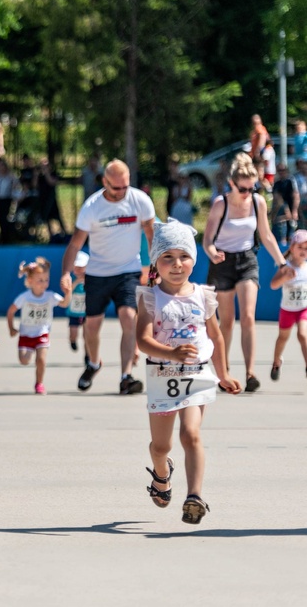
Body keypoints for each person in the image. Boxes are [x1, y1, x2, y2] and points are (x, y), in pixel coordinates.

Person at [136, 219, 240, 525]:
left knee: (191, 434)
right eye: (167, 257)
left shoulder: (204, 295)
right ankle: (161, 473)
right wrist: (171, 353)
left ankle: (195, 496)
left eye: (184, 256)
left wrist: (223, 375)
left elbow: (216, 336)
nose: (177, 264)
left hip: (197, 375)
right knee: (161, 446)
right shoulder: (150, 297)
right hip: (162, 377)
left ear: (194, 260)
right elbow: (142, 341)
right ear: (156, 261)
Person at [61, 159, 155, 394]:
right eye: (116, 188)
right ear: (105, 182)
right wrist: (65, 272)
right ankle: (94, 362)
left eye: (125, 186)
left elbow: (153, 237)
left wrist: (154, 269)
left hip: (128, 270)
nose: (122, 192)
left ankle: (126, 376)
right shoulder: (92, 207)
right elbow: (75, 244)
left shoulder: (140, 200)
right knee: (91, 327)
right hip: (98, 272)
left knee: (128, 317)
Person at [203, 152, 292, 392]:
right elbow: (208, 239)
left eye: (252, 189)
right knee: (227, 322)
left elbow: (266, 234)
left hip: (247, 260)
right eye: (243, 189)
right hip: (222, 261)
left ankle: (251, 372)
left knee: (249, 317)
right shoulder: (221, 203)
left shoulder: (257, 203)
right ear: (232, 184)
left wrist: (282, 263)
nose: (247, 194)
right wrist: (212, 253)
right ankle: (225, 373)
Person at [6, 257, 69, 395]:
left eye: (46, 280)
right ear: (30, 281)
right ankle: (29, 354)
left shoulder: (50, 296)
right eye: (40, 280)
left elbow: (64, 304)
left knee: (41, 359)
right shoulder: (25, 297)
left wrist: (68, 292)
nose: (44, 283)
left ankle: (39, 383)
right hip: (26, 334)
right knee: (24, 360)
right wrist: (11, 328)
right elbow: (11, 311)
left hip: (42, 332)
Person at [269, 229, 307, 381]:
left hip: (303, 308)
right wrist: (285, 277)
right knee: (283, 337)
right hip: (288, 309)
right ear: (292, 248)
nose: (303, 251)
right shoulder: (286, 267)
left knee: (303, 335)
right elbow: (273, 285)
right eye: (300, 247)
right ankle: (277, 362)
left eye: (306, 248)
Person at [66, 251, 89, 360]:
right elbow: (68, 291)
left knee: (87, 336)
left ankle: (88, 355)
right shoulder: (70, 280)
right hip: (74, 313)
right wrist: (77, 281)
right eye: (76, 267)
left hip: (87, 313)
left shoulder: (91, 280)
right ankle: (73, 340)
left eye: (81, 267)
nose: (78, 270)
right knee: (73, 334)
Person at [271, 163, 300, 246]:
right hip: (282, 212)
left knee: (291, 234)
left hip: (290, 210)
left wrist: (294, 211)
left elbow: (295, 196)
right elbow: (276, 200)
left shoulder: (290, 181)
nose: (281, 172)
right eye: (279, 170)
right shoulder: (277, 184)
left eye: (283, 170)